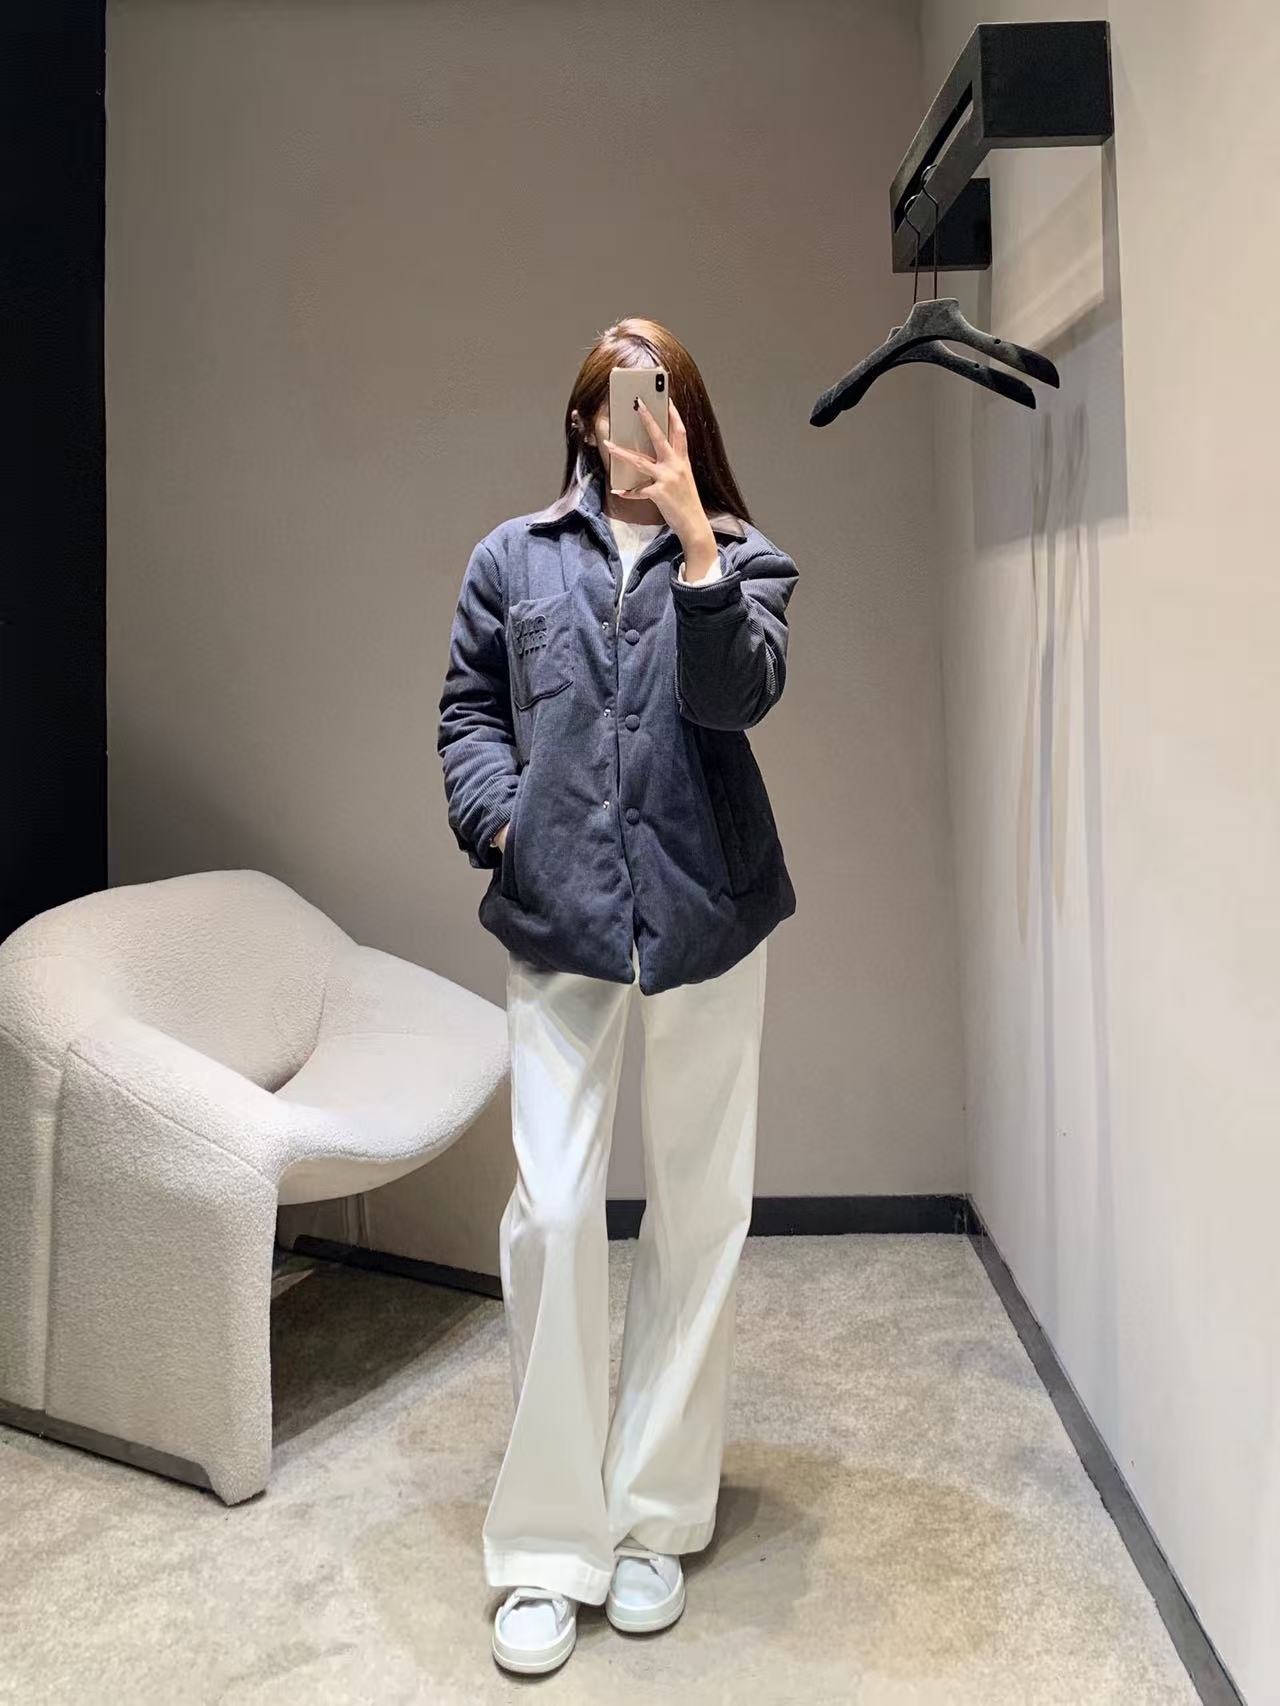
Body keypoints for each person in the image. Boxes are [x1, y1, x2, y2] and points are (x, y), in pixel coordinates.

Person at [437, 316, 799, 1675]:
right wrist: (502, 823)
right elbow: (470, 709)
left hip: (710, 914)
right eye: (610, 392)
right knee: (552, 1214)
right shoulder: (511, 559)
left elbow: (738, 696)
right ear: (583, 419)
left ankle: (652, 1516)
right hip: (560, 914)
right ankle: (545, 1546)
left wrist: (697, 536)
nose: (630, 412)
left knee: (699, 1214)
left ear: (681, 416)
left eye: (654, 393)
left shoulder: (748, 559)